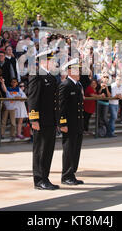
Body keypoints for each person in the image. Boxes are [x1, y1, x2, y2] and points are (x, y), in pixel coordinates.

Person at [28, 49, 60, 190]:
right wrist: (34, 120)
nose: (54, 63)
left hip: (50, 120)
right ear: (43, 62)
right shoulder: (37, 75)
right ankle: (39, 179)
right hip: (40, 121)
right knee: (40, 150)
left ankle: (45, 177)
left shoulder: (51, 77)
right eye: (51, 60)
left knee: (48, 150)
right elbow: (33, 99)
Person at [59, 58, 85, 186]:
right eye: (75, 69)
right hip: (69, 124)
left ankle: (72, 173)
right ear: (69, 71)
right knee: (69, 150)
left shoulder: (78, 85)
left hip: (77, 123)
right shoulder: (65, 85)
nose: (79, 71)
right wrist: (62, 123)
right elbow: (61, 106)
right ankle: (66, 175)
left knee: (76, 149)